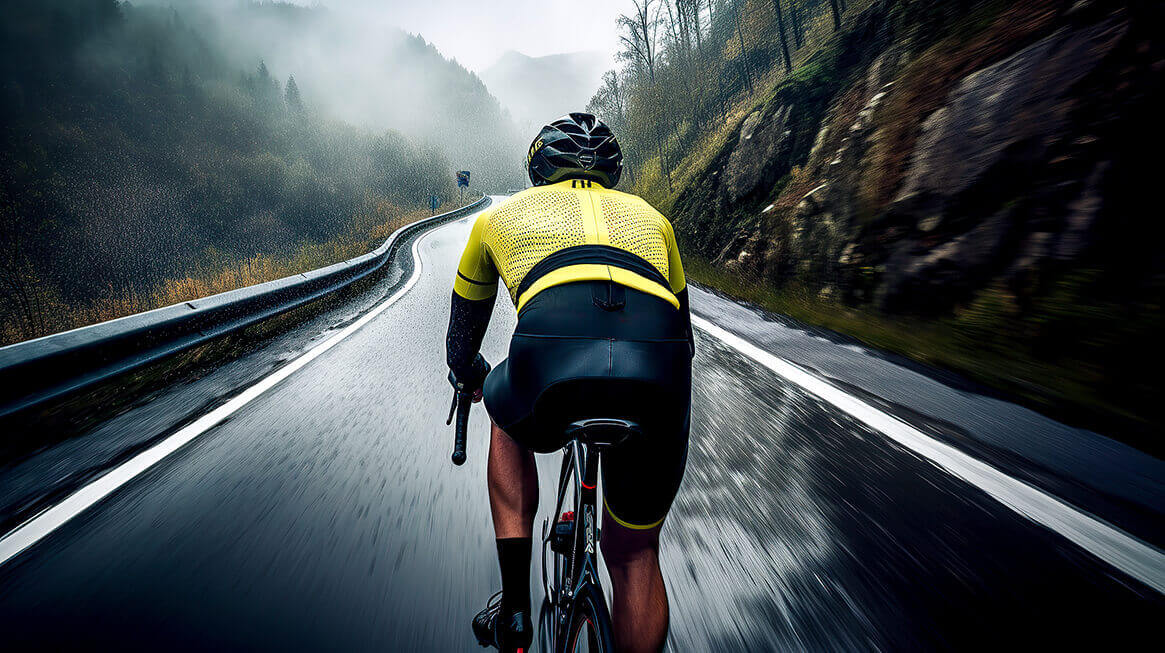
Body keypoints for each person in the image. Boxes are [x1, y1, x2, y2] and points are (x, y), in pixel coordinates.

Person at [445, 112, 694, 653]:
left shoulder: (498, 220)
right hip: (657, 364)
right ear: (612, 172)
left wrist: (472, 378)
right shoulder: (654, 219)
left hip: (552, 358)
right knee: (634, 555)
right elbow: (684, 331)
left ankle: (514, 609)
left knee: (501, 404)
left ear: (539, 168)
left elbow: (462, 341)